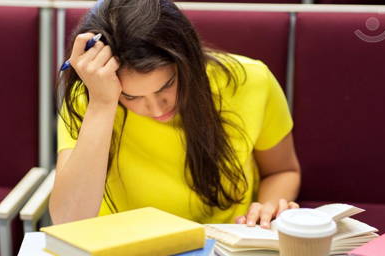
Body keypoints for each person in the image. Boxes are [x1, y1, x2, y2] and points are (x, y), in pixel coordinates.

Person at [49, 0, 301, 228]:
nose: (157, 109)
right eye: (131, 96)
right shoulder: (92, 97)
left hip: (224, 242)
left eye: (167, 85)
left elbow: (281, 171)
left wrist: (267, 207)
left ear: (188, 61)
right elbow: (69, 221)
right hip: (123, 250)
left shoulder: (251, 81)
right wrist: (103, 104)